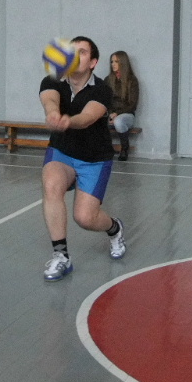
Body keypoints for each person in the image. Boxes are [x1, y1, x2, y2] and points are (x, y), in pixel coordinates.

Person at [39, 36, 126, 281]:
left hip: (94, 158)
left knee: (85, 218)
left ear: (93, 62)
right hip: (62, 151)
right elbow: (50, 100)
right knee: (51, 185)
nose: (75, 56)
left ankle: (114, 228)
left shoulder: (102, 89)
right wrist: (53, 114)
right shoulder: (53, 80)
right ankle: (61, 256)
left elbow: (88, 117)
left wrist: (69, 121)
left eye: (83, 52)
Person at [104, 50, 140, 161]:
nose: (113, 64)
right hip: (111, 114)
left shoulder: (132, 81)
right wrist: (110, 114)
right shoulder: (108, 80)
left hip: (126, 115)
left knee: (119, 121)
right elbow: (104, 100)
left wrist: (117, 114)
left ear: (123, 63)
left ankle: (124, 149)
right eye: (112, 62)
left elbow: (132, 104)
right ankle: (102, 150)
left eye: (116, 61)